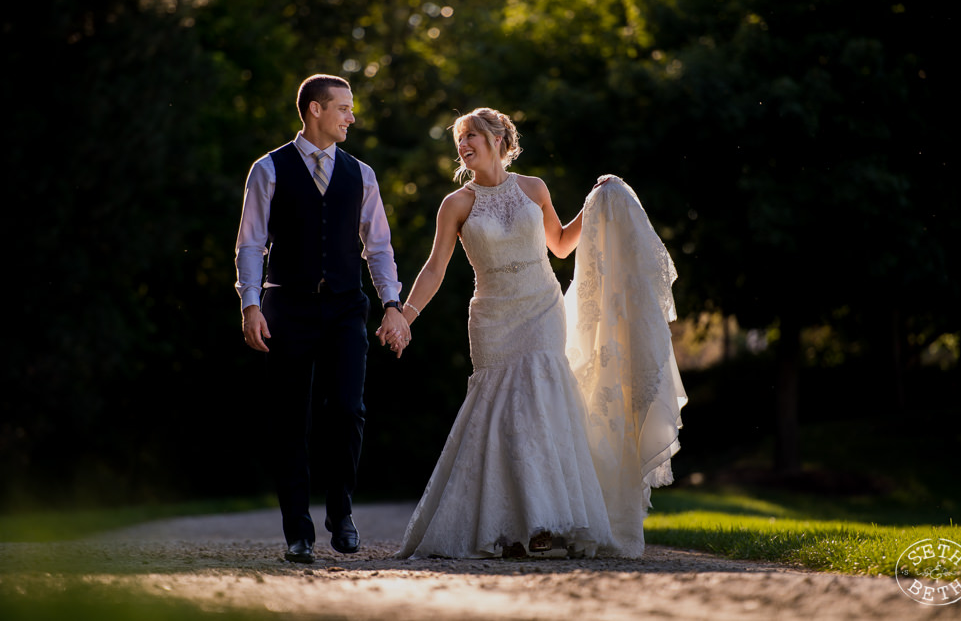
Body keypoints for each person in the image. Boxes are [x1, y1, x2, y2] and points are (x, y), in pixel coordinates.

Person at [391, 107, 685, 559]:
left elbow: (562, 245)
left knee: (543, 408)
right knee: (504, 415)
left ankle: (547, 524)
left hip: (543, 309)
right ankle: (510, 525)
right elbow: (435, 268)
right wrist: (405, 315)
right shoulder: (457, 204)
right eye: (459, 140)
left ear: (497, 139)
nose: (463, 145)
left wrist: (596, 204)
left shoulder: (534, 189)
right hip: (493, 316)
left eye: (471, 136)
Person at [235, 74, 410, 564]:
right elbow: (250, 244)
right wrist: (251, 304)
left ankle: (340, 510)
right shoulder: (268, 169)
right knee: (290, 418)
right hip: (286, 307)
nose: (352, 117)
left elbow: (378, 247)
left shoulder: (363, 174)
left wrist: (392, 304)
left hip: (345, 306)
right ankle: (298, 531)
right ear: (315, 110)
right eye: (344, 108)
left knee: (349, 410)